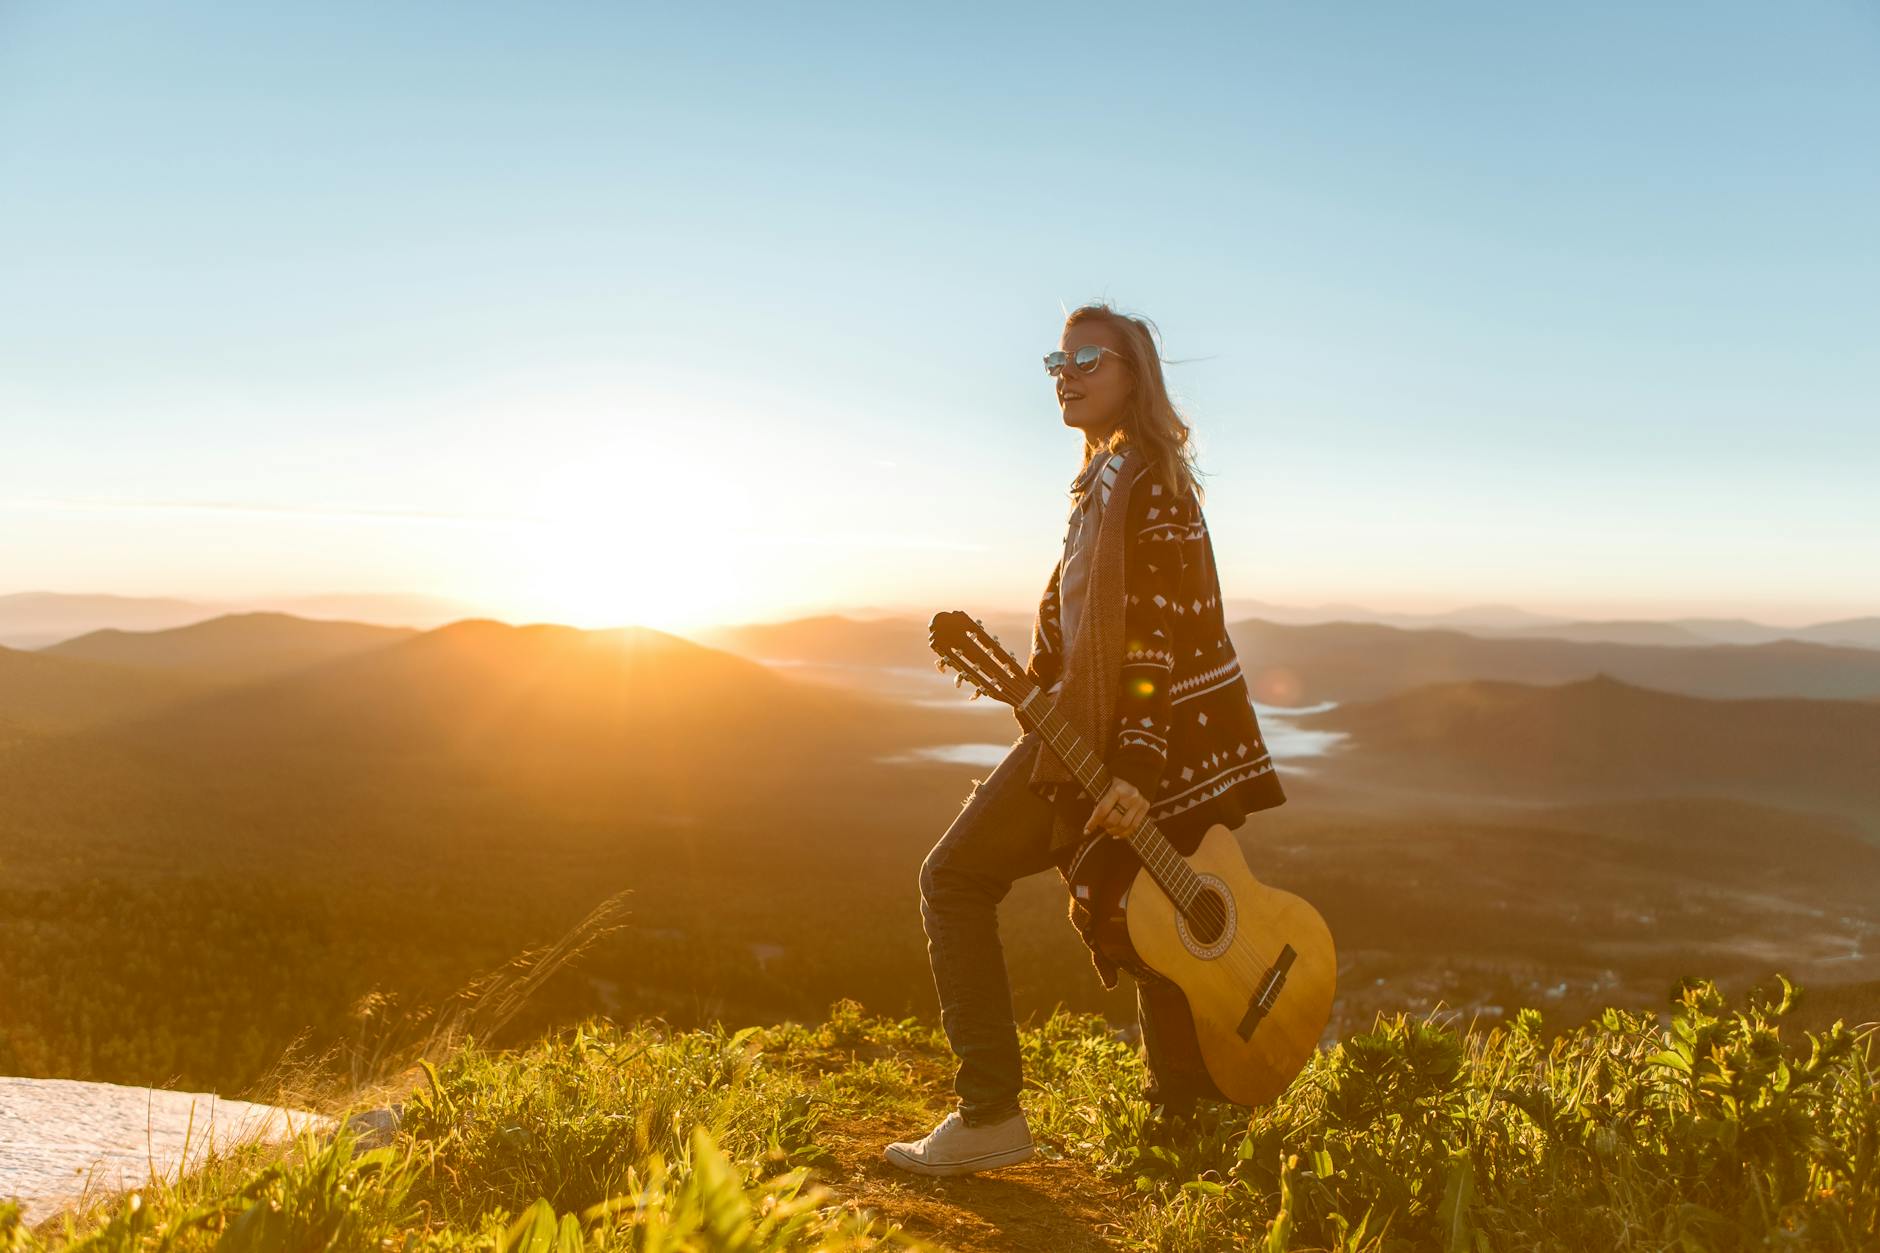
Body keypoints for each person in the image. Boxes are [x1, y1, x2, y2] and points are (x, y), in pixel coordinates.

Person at [884, 301, 1287, 1177]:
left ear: (1134, 375)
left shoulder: (1151, 484)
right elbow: (1083, 635)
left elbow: (1158, 635)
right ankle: (1186, 1123)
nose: (1065, 375)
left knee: (956, 879)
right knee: (1150, 926)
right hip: (1097, 738)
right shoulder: (1104, 486)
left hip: (1136, 748)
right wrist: (1040, 688)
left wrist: (1135, 765)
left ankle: (992, 1111)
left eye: (1087, 360)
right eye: (1056, 363)